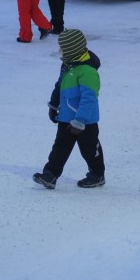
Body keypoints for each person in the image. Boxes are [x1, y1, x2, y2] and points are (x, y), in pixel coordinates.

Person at [33, 28, 105, 189]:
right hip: (66, 117)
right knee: (59, 148)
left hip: (85, 121)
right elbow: (60, 86)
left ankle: (97, 174)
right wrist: (53, 105)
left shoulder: (87, 71)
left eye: (63, 48)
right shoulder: (67, 65)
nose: (60, 51)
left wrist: (80, 121)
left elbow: (89, 99)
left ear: (72, 49)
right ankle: (50, 175)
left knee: (89, 150)